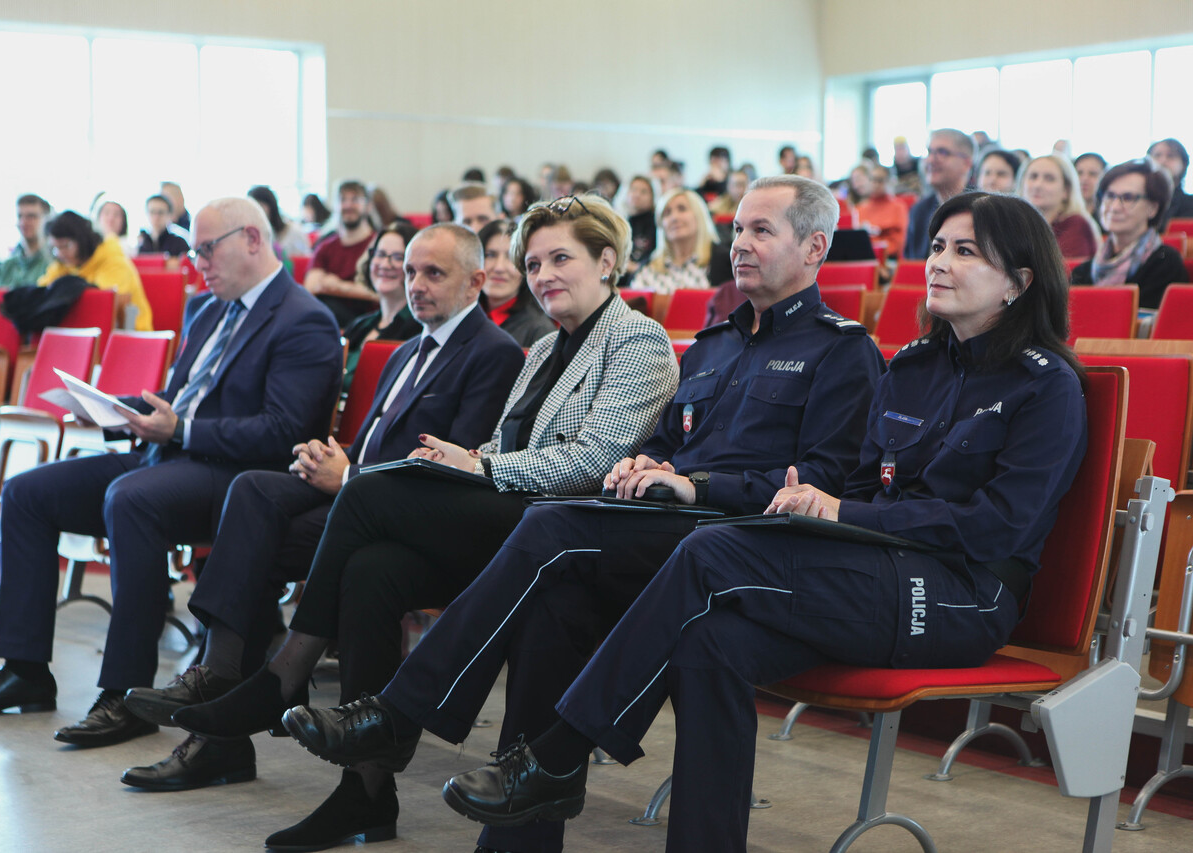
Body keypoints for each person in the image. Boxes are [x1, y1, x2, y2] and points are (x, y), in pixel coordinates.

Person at [438, 191, 1090, 853]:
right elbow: (867, 486)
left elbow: (999, 527)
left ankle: (556, 755)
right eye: (940, 245)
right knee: (709, 638)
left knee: (711, 550)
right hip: (871, 565)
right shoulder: (916, 367)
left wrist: (841, 509)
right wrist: (827, 508)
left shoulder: (1047, 385)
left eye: (966, 251)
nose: (939, 262)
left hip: (959, 594)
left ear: (1018, 281)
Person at [282, 175, 888, 853]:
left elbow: (823, 484)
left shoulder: (842, 350)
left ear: (815, 248)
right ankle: (519, 834)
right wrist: (645, 463)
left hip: (740, 543)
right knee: (554, 604)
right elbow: (669, 440)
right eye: (739, 229)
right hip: (665, 529)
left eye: (761, 231)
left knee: (552, 525)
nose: (740, 244)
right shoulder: (714, 346)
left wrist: (699, 484)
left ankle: (399, 713)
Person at [172, 194, 680, 851]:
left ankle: (286, 675)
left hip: (568, 527)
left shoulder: (637, 338)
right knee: (371, 567)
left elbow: (593, 460)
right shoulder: (542, 349)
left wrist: (479, 468)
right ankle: (366, 789)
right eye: (532, 262)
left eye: (562, 258)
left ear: (607, 262)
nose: (543, 273)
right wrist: (473, 460)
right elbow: (502, 447)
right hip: (515, 519)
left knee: (367, 494)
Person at [118, 223, 524, 792]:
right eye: (410, 272)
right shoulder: (407, 348)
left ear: (477, 281)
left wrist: (352, 476)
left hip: (406, 516)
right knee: (254, 493)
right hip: (358, 494)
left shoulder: (494, 354)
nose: (416, 285)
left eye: (434, 273)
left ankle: (235, 713)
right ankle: (223, 674)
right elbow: (373, 442)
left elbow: (450, 470)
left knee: (248, 557)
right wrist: (333, 458)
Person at [0, 198, 343, 751]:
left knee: (132, 499)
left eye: (206, 249)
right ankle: (25, 670)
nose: (198, 262)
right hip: (171, 458)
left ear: (251, 239)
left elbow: (281, 430)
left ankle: (126, 692)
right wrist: (110, 407)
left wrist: (182, 431)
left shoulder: (303, 319)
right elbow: (173, 403)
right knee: (27, 493)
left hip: (242, 478)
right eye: (194, 250)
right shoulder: (207, 310)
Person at [1070, 158, 1189, 309]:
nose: (1114, 207)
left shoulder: (1166, 264)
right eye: (1110, 196)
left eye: (1128, 198)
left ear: (1153, 208)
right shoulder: (1083, 272)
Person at [338, 222, 423, 392]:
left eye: (398, 257)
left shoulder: (418, 332)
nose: (385, 264)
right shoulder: (359, 325)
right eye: (380, 254)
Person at [38, 210, 153, 331]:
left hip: (130, 334)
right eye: (55, 248)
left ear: (82, 241)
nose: (60, 253)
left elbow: (103, 306)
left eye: (66, 246)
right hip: (82, 334)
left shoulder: (113, 261)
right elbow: (42, 293)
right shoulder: (63, 263)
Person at [305, 181, 379, 328]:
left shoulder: (378, 245)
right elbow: (311, 287)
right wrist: (355, 289)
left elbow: (379, 294)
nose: (348, 205)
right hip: (328, 320)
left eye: (355, 199)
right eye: (342, 199)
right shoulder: (326, 246)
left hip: (368, 320)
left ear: (368, 206)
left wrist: (335, 285)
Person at [477, 218, 556, 346]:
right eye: (490, 255)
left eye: (511, 257)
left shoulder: (539, 331)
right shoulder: (463, 316)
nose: (499, 267)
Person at [632, 188, 722, 293]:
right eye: (667, 213)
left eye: (682, 209)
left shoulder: (722, 262)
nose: (674, 218)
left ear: (699, 215)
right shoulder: (647, 268)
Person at [903, 128, 975, 258]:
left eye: (942, 152)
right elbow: (910, 265)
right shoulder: (919, 211)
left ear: (967, 163)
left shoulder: (980, 209)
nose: (931, 160)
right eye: (929, 152)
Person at [1017, 154, 1099, 259]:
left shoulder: (1076, 224)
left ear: (1066, 190)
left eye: (1049, 179)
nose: (1038, 185)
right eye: (1033, 176)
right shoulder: (1014, 223)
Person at [0, 195, 53, 290]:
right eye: (20, 216)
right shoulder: (7, 266)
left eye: (31, 216)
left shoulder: (55, 262)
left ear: (47, 219)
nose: (23, 222)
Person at [857, 165, 909, 257]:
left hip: (889, 259)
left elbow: (898, 243)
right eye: (872, 180)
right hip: (864, 257)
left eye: (880, 180)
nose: (875, 184)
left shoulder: (898, 207)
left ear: (889, 182)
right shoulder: (860, 208)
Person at [248, 185, 310, 258]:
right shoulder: (251, 235)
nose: (256, 211)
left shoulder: (294, 231)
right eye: (252, 207)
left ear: (271, 206)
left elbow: (306, 259)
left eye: (260, 206)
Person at [1147, 138, 1193, 221]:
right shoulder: (1137, 201)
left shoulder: (1190, 204)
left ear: (1183, 165)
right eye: (1157, 155)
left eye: (1171, 156)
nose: (1163, 161)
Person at [625, 175, 658, 272]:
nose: (637, 195)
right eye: (633, 190)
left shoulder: (657, 223)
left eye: (643, 192)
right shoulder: (623, 223)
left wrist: (636, 267)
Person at [1075, 153, 1107, 222]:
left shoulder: (1108, 216)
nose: (1084, 179)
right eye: (1079, 173)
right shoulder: (1061, 216)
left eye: (1092, 174)